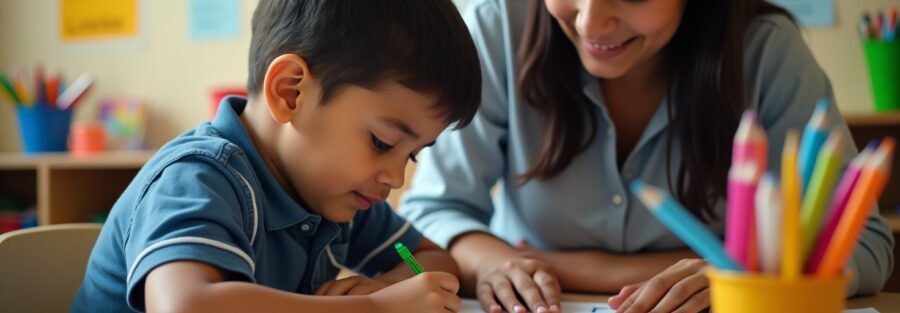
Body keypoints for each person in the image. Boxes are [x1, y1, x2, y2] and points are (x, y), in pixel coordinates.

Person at [400, 1, 894, 313]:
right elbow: (432, 211)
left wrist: (749, 282)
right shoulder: (498, 29)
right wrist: (495, 264)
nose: (591, 21)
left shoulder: (766, 51)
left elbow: (866, 242)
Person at [71, 0, 482, 312]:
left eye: (411, 157)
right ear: (291, 92)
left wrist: (390, 282)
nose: (395, 178)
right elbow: (185, 304)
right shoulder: (198, 178)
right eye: (383, 142)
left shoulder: (340, 198)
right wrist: (373, 308)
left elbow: (432, 259)